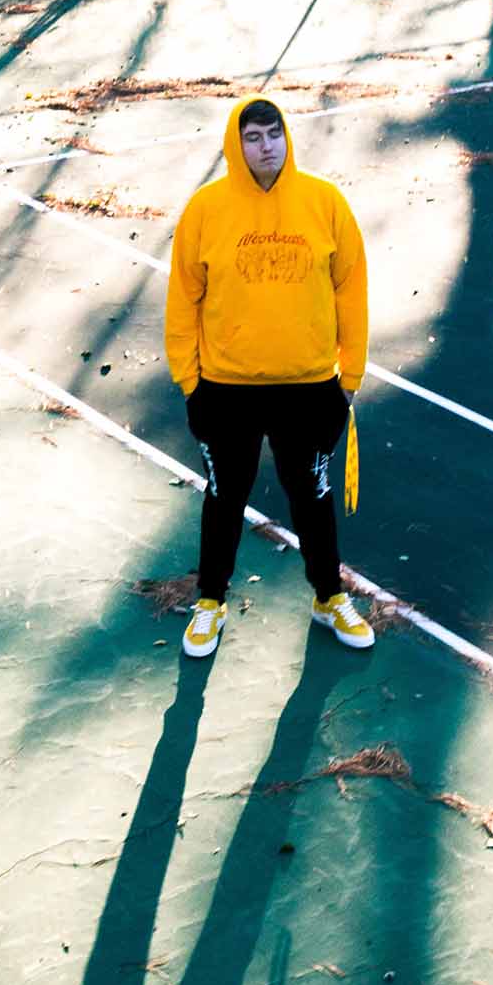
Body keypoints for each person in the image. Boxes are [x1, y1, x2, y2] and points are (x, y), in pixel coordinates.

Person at [164, 93, 374, 660]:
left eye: (274, 135)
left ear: (287, 138)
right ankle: (210, 602)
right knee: (224, 497)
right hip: (226, 390)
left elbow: (350, 290)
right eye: (253, 138)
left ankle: (328, 598)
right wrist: (189, 379)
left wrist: (348, 374)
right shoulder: (207, 209)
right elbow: (183, 298)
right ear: (237, 143)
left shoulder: (323, 202)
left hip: (308, 388)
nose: (266, 148)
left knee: (313, 499)